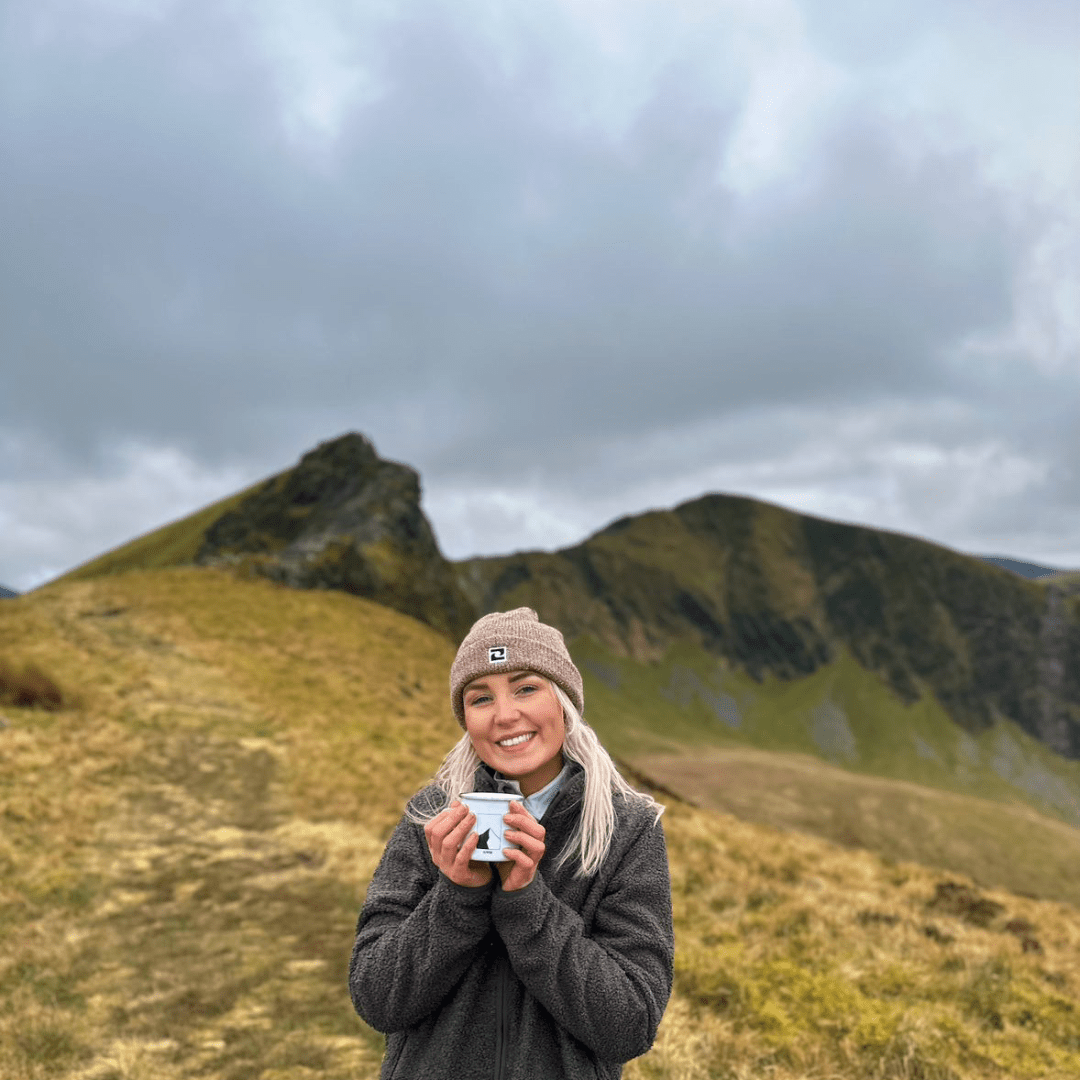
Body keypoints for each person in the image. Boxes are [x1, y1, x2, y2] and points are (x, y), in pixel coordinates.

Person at [349, 607, 674, 1079]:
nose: (505, 715)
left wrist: (526, 902)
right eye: (481, 698)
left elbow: (631, 1024)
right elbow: (376, 999)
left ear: (563, 700)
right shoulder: (431, 817)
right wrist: (457, 897)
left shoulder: (627, 829)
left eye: (526, 688)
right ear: (466, 718)